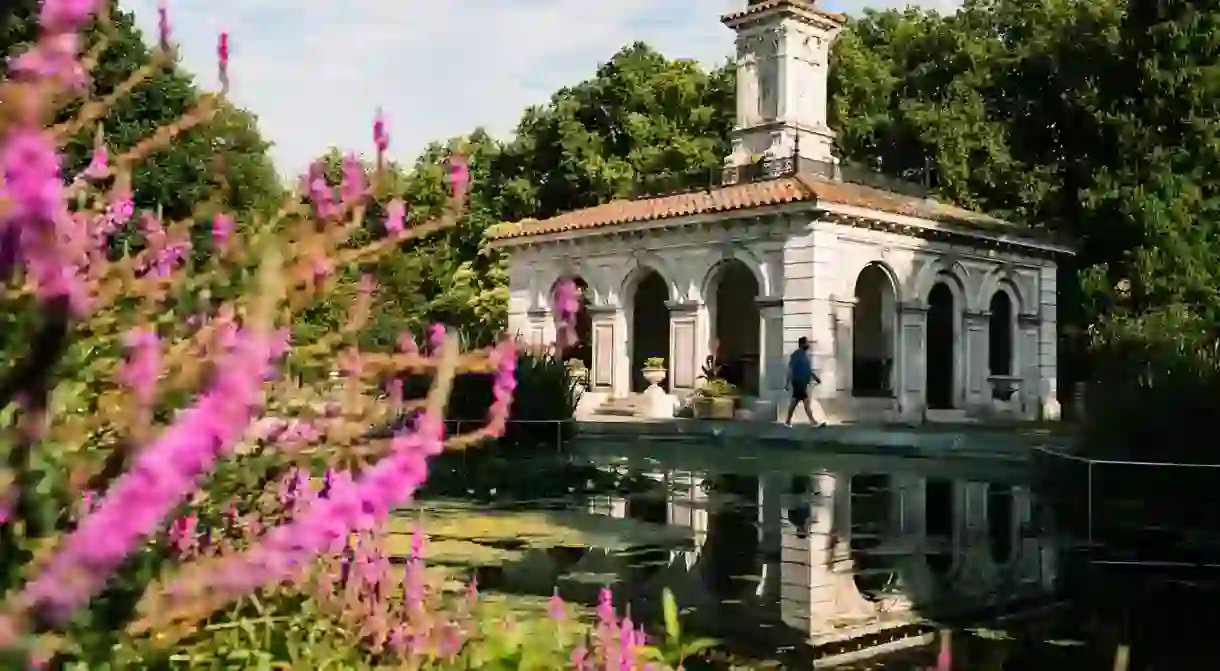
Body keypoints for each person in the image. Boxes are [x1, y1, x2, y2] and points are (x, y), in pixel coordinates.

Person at [784, 336, 827, 427]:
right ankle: (813, 422)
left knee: (796, 402)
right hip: (798, 382)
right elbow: (790, 370)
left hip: (803, 383)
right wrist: (787, 383)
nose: (808, 344)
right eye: (806, 343)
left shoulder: (806, 356)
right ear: (801, 344)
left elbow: (808, 370)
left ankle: (788, 421)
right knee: (804, 402)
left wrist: (816, 378)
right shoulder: (796, 355)